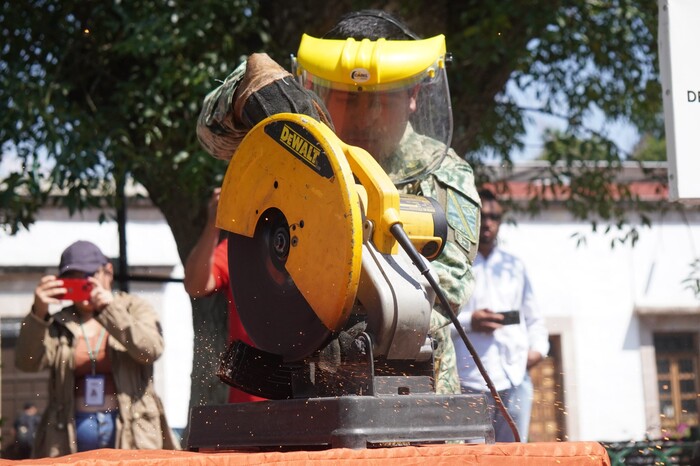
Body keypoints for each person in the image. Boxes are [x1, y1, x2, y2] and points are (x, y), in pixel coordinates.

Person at [196, 9, 481, 395]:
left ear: (413, 94)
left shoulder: (445, 174)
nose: (364, 115)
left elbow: (445, 289)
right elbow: (212, 133)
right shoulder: (294, 154)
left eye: (381, 99)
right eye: (346, 97)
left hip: (416, 392)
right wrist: (254, 89)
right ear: (318, 89)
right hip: (301, 393)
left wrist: (346, 316)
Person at [15, 240, 180, 457]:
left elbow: (151, 350)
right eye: (71, 278)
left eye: (86, 276)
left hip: (133, 428)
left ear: (107, 271)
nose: (81, 282)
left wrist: (110, 310)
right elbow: (27, 363)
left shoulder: (133, 308)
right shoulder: (58, 321)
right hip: (69, 432)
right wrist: (38, 313)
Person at [451, 188, 549, 442]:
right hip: (469, 382)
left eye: (495, 217)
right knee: (474, 459)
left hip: (514, 379)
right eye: (483, 216)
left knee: (514, 457)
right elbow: (436, 323)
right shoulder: (455, 267)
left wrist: (537, 351)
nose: (489, 223)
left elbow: (534, 318)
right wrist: (471, 322)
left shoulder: (514, 266)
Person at [183, 188, 266, 403]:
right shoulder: (239, 248)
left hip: (304, 394)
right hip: (248, 401)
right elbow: (195, 285)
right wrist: (214, 223)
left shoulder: (313, 247)